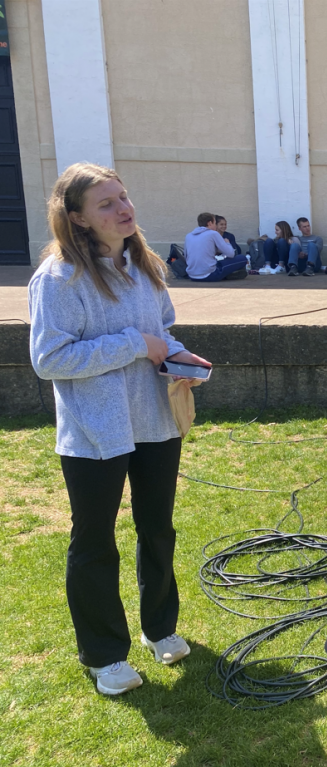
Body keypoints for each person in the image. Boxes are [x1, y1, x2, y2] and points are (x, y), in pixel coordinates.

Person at [27, 163, 209, 695]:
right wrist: (137, 344)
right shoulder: (58, 278)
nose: (122, 208)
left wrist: (177, 357)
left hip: (154, 421)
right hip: (93, 432)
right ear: (78, 218)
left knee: (157, 528)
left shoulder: (146, 264)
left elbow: (162, 328)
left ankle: (161, 627)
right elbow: (49, 359)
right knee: (94, 542)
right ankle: (104, 654)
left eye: (123, 197)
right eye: (105, 204)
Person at [184, 212, 247, 281]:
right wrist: (227, 243)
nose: (215, 226)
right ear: (209, 223)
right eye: (214, 223)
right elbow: (231, 254)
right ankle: (229, 274)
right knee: (242, 258)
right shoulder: (213, 233)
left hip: (192, 276)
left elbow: (186, 256)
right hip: (209, 275)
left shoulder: (188, 236)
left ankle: (228, 274)